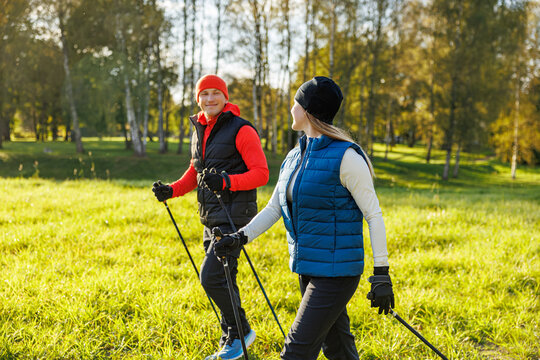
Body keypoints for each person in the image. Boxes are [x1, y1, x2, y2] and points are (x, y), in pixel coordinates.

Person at [213, 76, 394, 359]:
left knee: (295, 352)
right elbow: (274, 207)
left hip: (336, 274)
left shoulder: (346, 157)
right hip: (308, 266)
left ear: (309, 110)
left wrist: (381, 274)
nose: (291, 107)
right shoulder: (295, 155)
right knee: (337, 347)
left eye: (296, 101)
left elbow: (374, 214)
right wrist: (240, 238)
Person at [152, 74, 269, 360]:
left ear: (226, 97)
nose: (210, 99)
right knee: (224, 278)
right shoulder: (200, 128)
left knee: (212, 278)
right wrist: (172, 190)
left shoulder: (241, 130)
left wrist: (227, 181)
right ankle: (233, 337)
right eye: (204, 94)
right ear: (197, 99)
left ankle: (241, 332)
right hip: (211, 216)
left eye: (216, 93)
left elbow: (261, 174)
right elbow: (196, 172)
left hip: (233, 217)